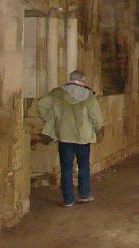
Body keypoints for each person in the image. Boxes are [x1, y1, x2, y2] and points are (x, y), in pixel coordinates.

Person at [37, 70, 105, 206]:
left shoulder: (57, 93)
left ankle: (68, 199)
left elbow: (41, 105)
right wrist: (100, 129)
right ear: (83, 80)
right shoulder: (89, 96)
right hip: (83, 137)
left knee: (66, 167)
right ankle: (84, 194)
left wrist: (49, 119)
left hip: (64, 136)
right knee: (84, 166)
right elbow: (96, 117)